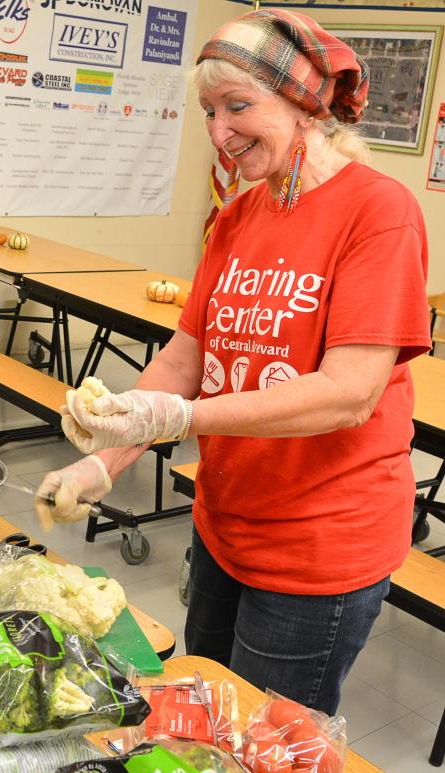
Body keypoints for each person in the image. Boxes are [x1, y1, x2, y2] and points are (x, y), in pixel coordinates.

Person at [35, 9, 431, 715]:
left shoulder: (378, 211)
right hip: (223, 524)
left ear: (306, 105)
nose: (218, 133)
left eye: (237, 107)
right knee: (202, 717)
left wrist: (181, 417)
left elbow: (348, 394)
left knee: (262, 758)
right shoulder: (238, 217)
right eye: (208, 112)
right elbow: (186, 358)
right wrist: (104, 459)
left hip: (317, 550)